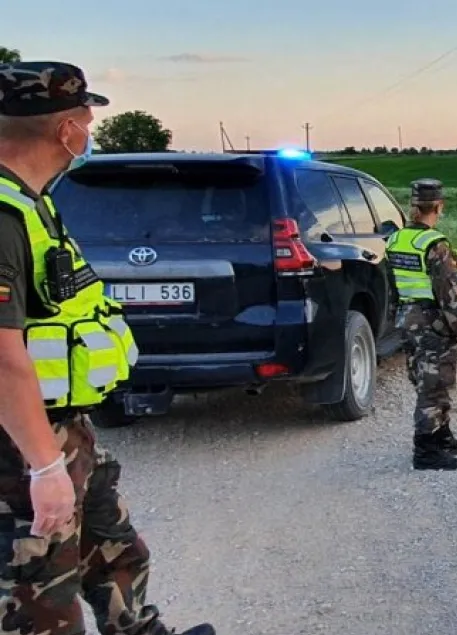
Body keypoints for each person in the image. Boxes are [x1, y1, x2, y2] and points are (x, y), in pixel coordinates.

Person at [0, 61, 215, 635]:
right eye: (86, 116)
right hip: (20, 443)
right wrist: (44, 466)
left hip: (67, 429)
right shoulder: (2, 215)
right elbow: (1, 355)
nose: (91, 127)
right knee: (43, 599)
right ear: (65, 129)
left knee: (117, 552)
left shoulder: (34, 201)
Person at [387, 178, 457, 471]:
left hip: (408, 320)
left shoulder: (395, 239)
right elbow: (452, 297)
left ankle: (442, 435)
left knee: (429, 378)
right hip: (432, 324)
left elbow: (392, 286)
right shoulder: (434, 244)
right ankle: (426, 451)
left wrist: (396, 320)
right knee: (433, 385)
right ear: (439, 207)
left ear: (413, 206)